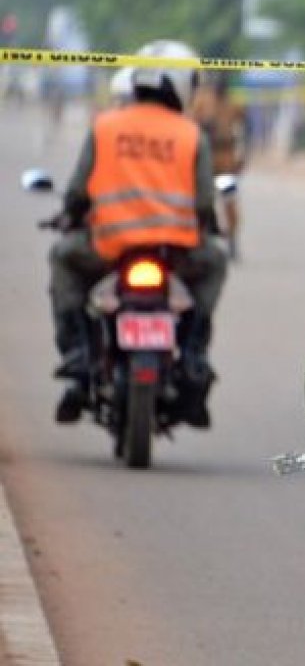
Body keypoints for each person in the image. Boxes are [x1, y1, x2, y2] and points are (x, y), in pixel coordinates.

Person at [48, 40, 228, 427]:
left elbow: (79, 190)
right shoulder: (190, 135)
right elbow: (202, 202)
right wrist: (209, 226)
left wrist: (68, 216)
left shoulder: (106, 127)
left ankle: (77, 351)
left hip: (108, 246)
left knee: (63, 258)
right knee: (216, 260)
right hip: (174, 251)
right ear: (181, 85)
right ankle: (194, 350)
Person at [191, 72, 248, 260]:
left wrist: (244, 154)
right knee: (202, 200)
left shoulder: (233, 104)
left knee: (228, 200)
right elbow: (191, 125)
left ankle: (232, 240)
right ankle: (201, 239)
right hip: (206, 160)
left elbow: (246, 128)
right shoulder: (202, 101)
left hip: (225, 160)